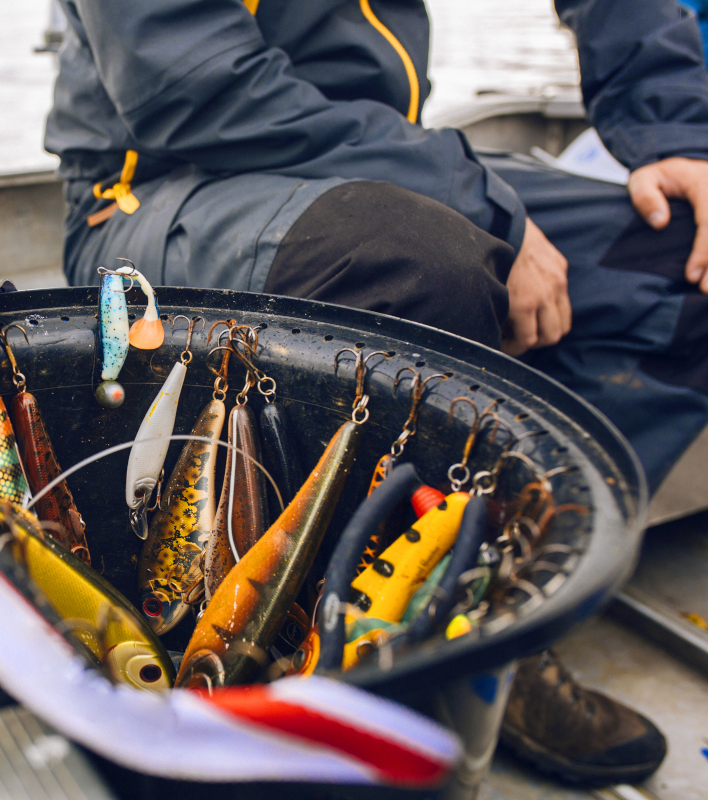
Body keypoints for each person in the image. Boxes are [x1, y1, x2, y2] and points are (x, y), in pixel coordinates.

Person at [43, 0, 707, 786]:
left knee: (683, 265)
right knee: (423, 267)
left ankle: (499, 595)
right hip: (158, 183)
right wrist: (485, 206)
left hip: (359, 163)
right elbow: (193, 87)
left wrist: (672, 134)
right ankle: (352, 646)